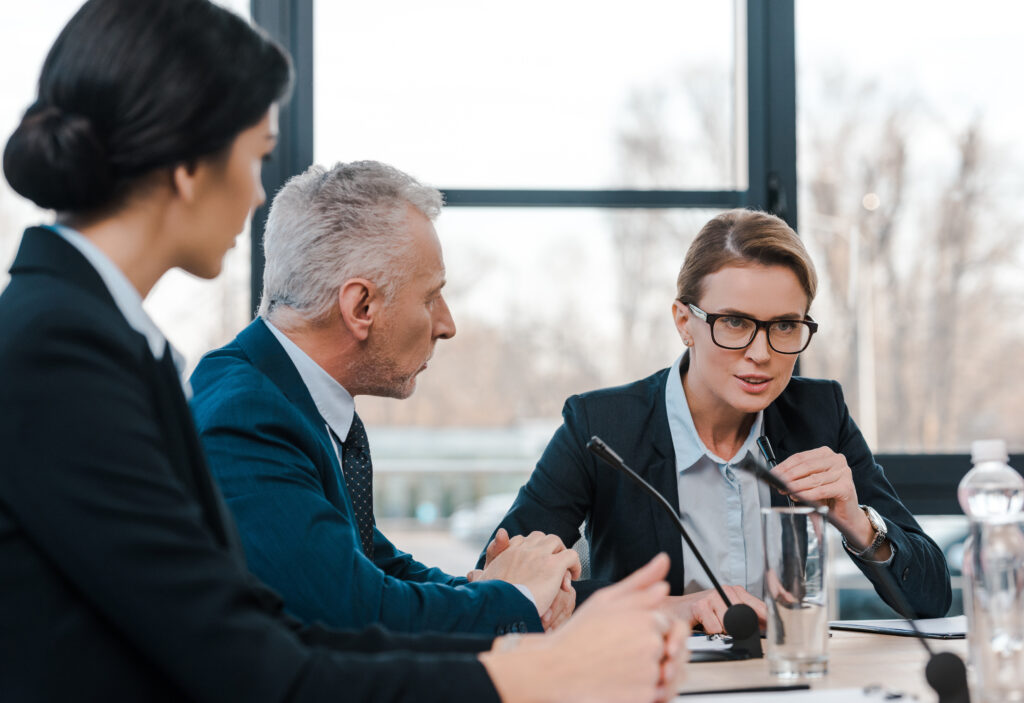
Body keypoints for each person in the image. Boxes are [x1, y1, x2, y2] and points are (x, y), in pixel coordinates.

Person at [0, 1, 686, 701]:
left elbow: (262, 629)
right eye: (257, 155)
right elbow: (253, 662)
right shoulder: (61, 349)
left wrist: (526, 622)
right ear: (187, 167)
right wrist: (535, 665)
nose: (259, 191)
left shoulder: (91, 336)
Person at [482, 209, 953, 632]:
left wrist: (859, 522)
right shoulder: (601, 426)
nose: (761, 353)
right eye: (734, 322)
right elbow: (496, 588)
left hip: (787, 681)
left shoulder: (818, 413)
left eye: (785, 326)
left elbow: (932, 598)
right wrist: (674, 609)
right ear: (685, 322)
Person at [189, 161, 577, 635]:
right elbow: (352, 610)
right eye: (431, 296)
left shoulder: (290, 399)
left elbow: (379, 570)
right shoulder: (245, 416)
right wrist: (511, 597)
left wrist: (496, 588)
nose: (447, 324)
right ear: (361, 307)